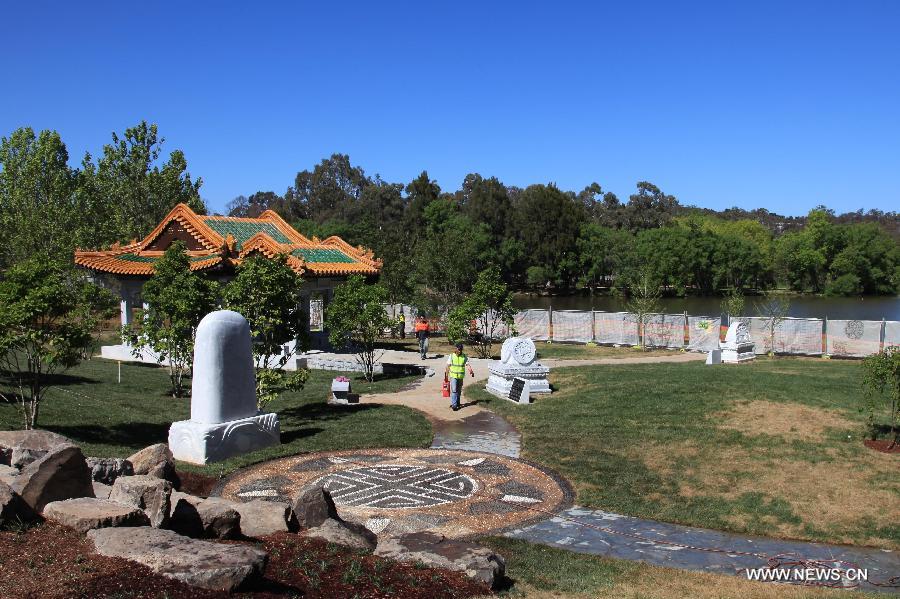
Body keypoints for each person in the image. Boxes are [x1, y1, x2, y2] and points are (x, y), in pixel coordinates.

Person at [444, 342, 474, 411]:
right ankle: (454, 405)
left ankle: (458, 403)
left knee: (459, 391)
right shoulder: (451, 356)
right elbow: (448, 366)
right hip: (453, 376)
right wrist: (446, 376)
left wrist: (471, 371)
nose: (460, 351)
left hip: (460, 376)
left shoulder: (464, 356)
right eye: (459, 349)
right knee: (454, 390)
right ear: (456, 348)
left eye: (461, 349)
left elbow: (468, 364)